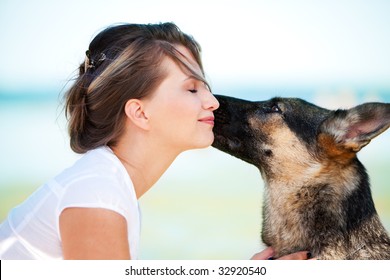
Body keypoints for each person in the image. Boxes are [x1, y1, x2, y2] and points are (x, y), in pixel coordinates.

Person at [0, 22, 311, 260]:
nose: (213, 102)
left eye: (206, 88)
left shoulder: (110, 187)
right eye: (192, 90)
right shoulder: (97, 195)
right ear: (140, 113)